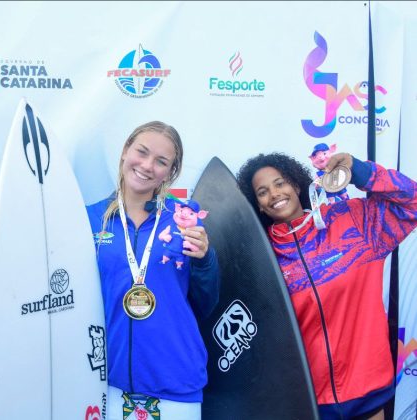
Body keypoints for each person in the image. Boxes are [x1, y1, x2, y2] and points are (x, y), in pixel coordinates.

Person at [236, 152, 417, 420]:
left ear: (296, 185)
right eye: (263, 192)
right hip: (306, 401)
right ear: (258, 205)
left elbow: (411, 202)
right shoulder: (259, 258)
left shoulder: (352, 222)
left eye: (280, 183)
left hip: (366, 390)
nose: (274, 194)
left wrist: (362, 173)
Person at [86, 121, 221, 419]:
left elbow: (205, 301)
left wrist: (204, 259)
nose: (147, 166)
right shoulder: (89, 219)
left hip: (175, 381)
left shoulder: (184, 219)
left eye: (161, 161)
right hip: (107, 384)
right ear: (125, 152)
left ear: (170, 172)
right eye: (142, 152)